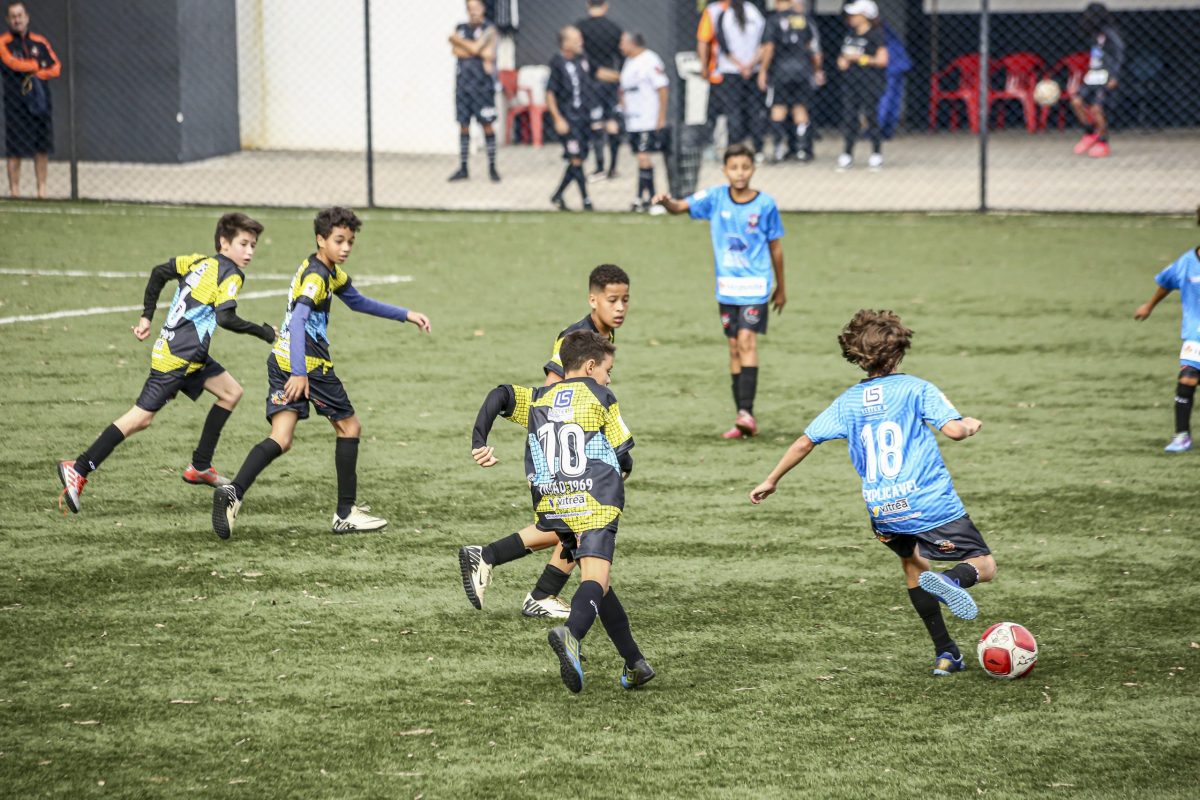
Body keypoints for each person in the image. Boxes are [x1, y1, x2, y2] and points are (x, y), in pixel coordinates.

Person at [750, 310, 998, 677]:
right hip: (929, 503)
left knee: (913, 565)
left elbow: (805, 441)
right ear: (899, 351)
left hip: (884, 511)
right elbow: (954, 432)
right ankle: (952, 581)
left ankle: (946, 653)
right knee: (984, 565)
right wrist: (970, 424)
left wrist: (771, 480)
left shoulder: (848, 401)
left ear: (858, 356)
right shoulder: (917, 388)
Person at [211, 207, 431, 539]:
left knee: (281, 438)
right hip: (309, 367)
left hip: (280, 359)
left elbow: (356, 301)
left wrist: (406, 314)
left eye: (350, 241)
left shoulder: (323, 269)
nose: (345, 247)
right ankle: (345, 513)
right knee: (350, 427)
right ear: (320, 239)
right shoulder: (317, 277)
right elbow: (300, 320)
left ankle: (234, 491)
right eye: (339, 240)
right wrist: (301, 373)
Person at [468, 330, 654, 693]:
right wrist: (623, 468)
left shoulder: (539, 397)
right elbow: (624, 453)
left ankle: (636, 663)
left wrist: (479, 441)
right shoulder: (601, 395)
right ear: (590, 366)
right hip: (596, 501)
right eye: (608, 370)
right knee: (595, 580)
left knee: (601, 585)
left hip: (557, 502)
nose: (609, 378)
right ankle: (572, 634)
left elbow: (499, 394)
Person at [56, 214, 276, 514]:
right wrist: (264, 332)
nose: (249, 251)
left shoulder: (197, 261)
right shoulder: (231, 274)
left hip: (186, 353)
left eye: (253, 245)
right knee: (140, 419)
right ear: (224, 243)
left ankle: (200, 466)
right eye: (243, 244)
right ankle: (79, 468)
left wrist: (146, 316)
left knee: (231, 392)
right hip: (178, 359)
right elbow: (226, 317)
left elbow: (159, 272)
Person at [459, 264, 630, 620]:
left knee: (565, 526)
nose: (620, 308)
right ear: (593, 300)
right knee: (576, 520)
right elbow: (555, 394)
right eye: (612, 300)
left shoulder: (602, 335)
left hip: (569, 443)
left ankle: (533, 588)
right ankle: (516, 574)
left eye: (625, 300)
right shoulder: (576, 337)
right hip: (556, 447)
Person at [653, 143, 785, 439]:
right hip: (727, 289)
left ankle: (746, 412)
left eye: (745, 167)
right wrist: (666, 202)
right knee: (734, 347)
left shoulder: (765, 205)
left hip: (756, 287)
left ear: (753, 169)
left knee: (747, 341)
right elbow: (680, 207)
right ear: (725, 170)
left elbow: (776, 247)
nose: (740, 173)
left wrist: (781, 287)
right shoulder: (714, 198)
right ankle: (742, 417)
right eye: (734, 167)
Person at [1133, 210, 1200, 452]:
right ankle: (1182, 436)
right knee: (1187, 379)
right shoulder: (1187, 263)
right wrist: (1149, 305)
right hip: (1196, 335)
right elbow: (1166, 282)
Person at [1, 1, 59, 199]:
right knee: (15, 149)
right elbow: (10, 62)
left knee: (41, 147)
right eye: (13, 17)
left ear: (27, 17)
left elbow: (55, 68)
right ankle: (14, 191)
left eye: (20, 16)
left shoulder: (40, 42)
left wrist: (38, 72)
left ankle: (42, 191)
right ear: (8, 20)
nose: (17, 20)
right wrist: (36, 65)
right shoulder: (4, 42)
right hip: (15, 104)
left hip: (39, 103)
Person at [758, 0, 824, 163]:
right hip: (803, 71)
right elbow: (813, 49)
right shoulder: (804, 19)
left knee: (778, 108)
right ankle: (802, 150)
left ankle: (779, 149)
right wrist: (817, 70)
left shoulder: (773, 20)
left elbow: (769, 48)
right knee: (800, 108)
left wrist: (763, 71)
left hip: (780, 72)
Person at [447, 0, 500, 183]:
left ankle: (492, 167)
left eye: (476, 8)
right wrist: (476, 50)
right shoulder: (461, 27)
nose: (473, 12)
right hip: (463, 86)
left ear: (483, 8)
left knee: (487, 125)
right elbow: (456, 51)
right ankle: (463, 168)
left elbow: (487, 53)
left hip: (483, 87)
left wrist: (459, 42)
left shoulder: (490, 29)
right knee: (463, 126)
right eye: (470, 8)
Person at [546, 25, 597, 212]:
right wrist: (558, 118)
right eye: (576, 40)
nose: (580, 43)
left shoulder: (583, 60)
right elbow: (550, 93)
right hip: (568, 119)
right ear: (565, 43)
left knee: (579, 158)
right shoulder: (557, 63)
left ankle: (557, 195)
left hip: (584, 118)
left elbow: (596, 75)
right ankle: (586, 200)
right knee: (576, 158)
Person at [618, 31, 669, 214]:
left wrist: (660, 117)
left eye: (623, 42)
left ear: (633, 43)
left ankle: (654, 200)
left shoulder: (650, 60)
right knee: (640, 159)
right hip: (632, 120)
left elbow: (662, 89)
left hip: (648, 118)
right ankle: (640, 199)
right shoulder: (629, 62)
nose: (620, 46)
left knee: (644, 157)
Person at [835, 0, 888, 172]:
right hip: (851, 82)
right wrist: (842, 61)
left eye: (855, 14)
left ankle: (876, 154)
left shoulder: (876, 34)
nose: (851, 17)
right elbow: (843, 55)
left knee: (871, 116)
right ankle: (847, 154)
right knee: (850, 117)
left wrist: (861, 59)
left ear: (865, 15)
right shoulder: (850, 34)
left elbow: (882, 60)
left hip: (870, 81)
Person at [576, 0, 623, 180]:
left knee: (596, 122)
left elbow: (580, 56)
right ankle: (613, 167)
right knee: (612, 122)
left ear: (588, 4)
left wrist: (596, 71)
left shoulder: (580, 28)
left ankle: (599, 167)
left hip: (590, 81)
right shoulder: (614, 28)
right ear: (606, 5)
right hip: (611, 80)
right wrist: (617, 75)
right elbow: (621, 56)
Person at [1070, 2, 1124, 159]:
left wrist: (1114, 76)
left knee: (1097, 108)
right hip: (1093, 75)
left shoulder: (1110, 34)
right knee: (1077, 101)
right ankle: (1089, 133)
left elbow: (1119, 54)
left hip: (1105, 76)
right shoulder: (1095, 35)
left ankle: (1103, 141)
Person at [713, 0, 766, 156]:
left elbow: (724, 46)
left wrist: (740, 66)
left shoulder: (724, 15)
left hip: (731, 70)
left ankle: (735, 148)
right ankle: (758, 149)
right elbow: (764, 43)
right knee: (755, 108)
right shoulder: (755, 13)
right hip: (753, 69)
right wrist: (750, 65)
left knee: (733, 109)